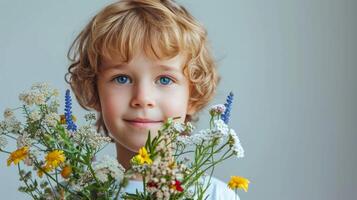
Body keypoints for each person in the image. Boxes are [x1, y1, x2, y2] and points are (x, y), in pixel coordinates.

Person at [66, 0, 239, 199]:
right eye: (122, 79)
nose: (142, 98)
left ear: (192, 97)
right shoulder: (71, 194)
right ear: (94, 92)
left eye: (165, 79)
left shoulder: (215, 195)